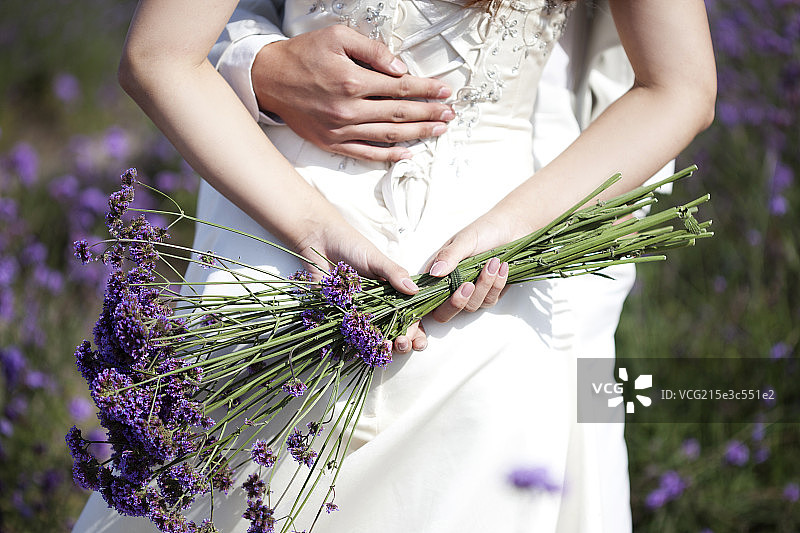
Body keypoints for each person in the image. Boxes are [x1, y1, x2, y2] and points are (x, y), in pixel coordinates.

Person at [73, 0, 716, 531]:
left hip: (485, 273)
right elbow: (159, 54)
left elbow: (679, 86)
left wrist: (513, 232)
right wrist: (315, 224)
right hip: (283, 233)